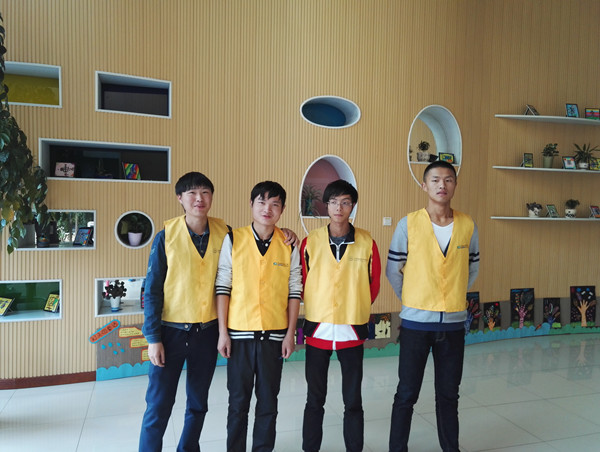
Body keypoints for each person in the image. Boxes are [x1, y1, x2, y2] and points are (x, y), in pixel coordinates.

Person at [139, 172, 298, 452]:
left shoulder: (224, 233)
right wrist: (153, 338)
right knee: (159, 404)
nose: (199, 199)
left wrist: (286, 232)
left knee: (198, 403)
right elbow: (152, 290)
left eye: (205, 193)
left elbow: (260, 238)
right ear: (180, 198)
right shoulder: (167, 236)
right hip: (171, 331)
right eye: (191, 193)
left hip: (207, 332)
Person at [387, 161, 480, 452]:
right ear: (424, 185)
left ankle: (451, 448)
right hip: (415, 324)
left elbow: (471, 268)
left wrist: (452, 295)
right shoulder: (408, 224)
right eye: (436, 180)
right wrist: (412, 299)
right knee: (406, 393)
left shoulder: (467, 224)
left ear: (455, 185)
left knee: (449, 394)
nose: (442, 185)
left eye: (448, 180)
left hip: (453, 325)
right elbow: (393, 270)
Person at [215, 181, 302, 452]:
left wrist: (290, 334)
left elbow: (295, 290)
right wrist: (222, 333)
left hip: (274, 337)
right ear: (251, 204)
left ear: (282, 209)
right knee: (237, 403)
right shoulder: (233, 239)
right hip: (238, 335)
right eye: (262, 202)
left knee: (268, 402)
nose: (267, 209)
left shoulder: (288, 244)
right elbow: (223, 286)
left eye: (275, 204)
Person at [300, 179, 381, 452]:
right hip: (317, 329)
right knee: (314, 399)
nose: (339, 208)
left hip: (352, 330)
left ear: (352, 206)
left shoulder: (367, 242)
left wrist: (353, 305)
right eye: (334, 202)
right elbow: (302, 280)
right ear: (326, 205)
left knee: (353, 401)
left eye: (345, 202)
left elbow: (373, 285)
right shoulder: (310, 242)